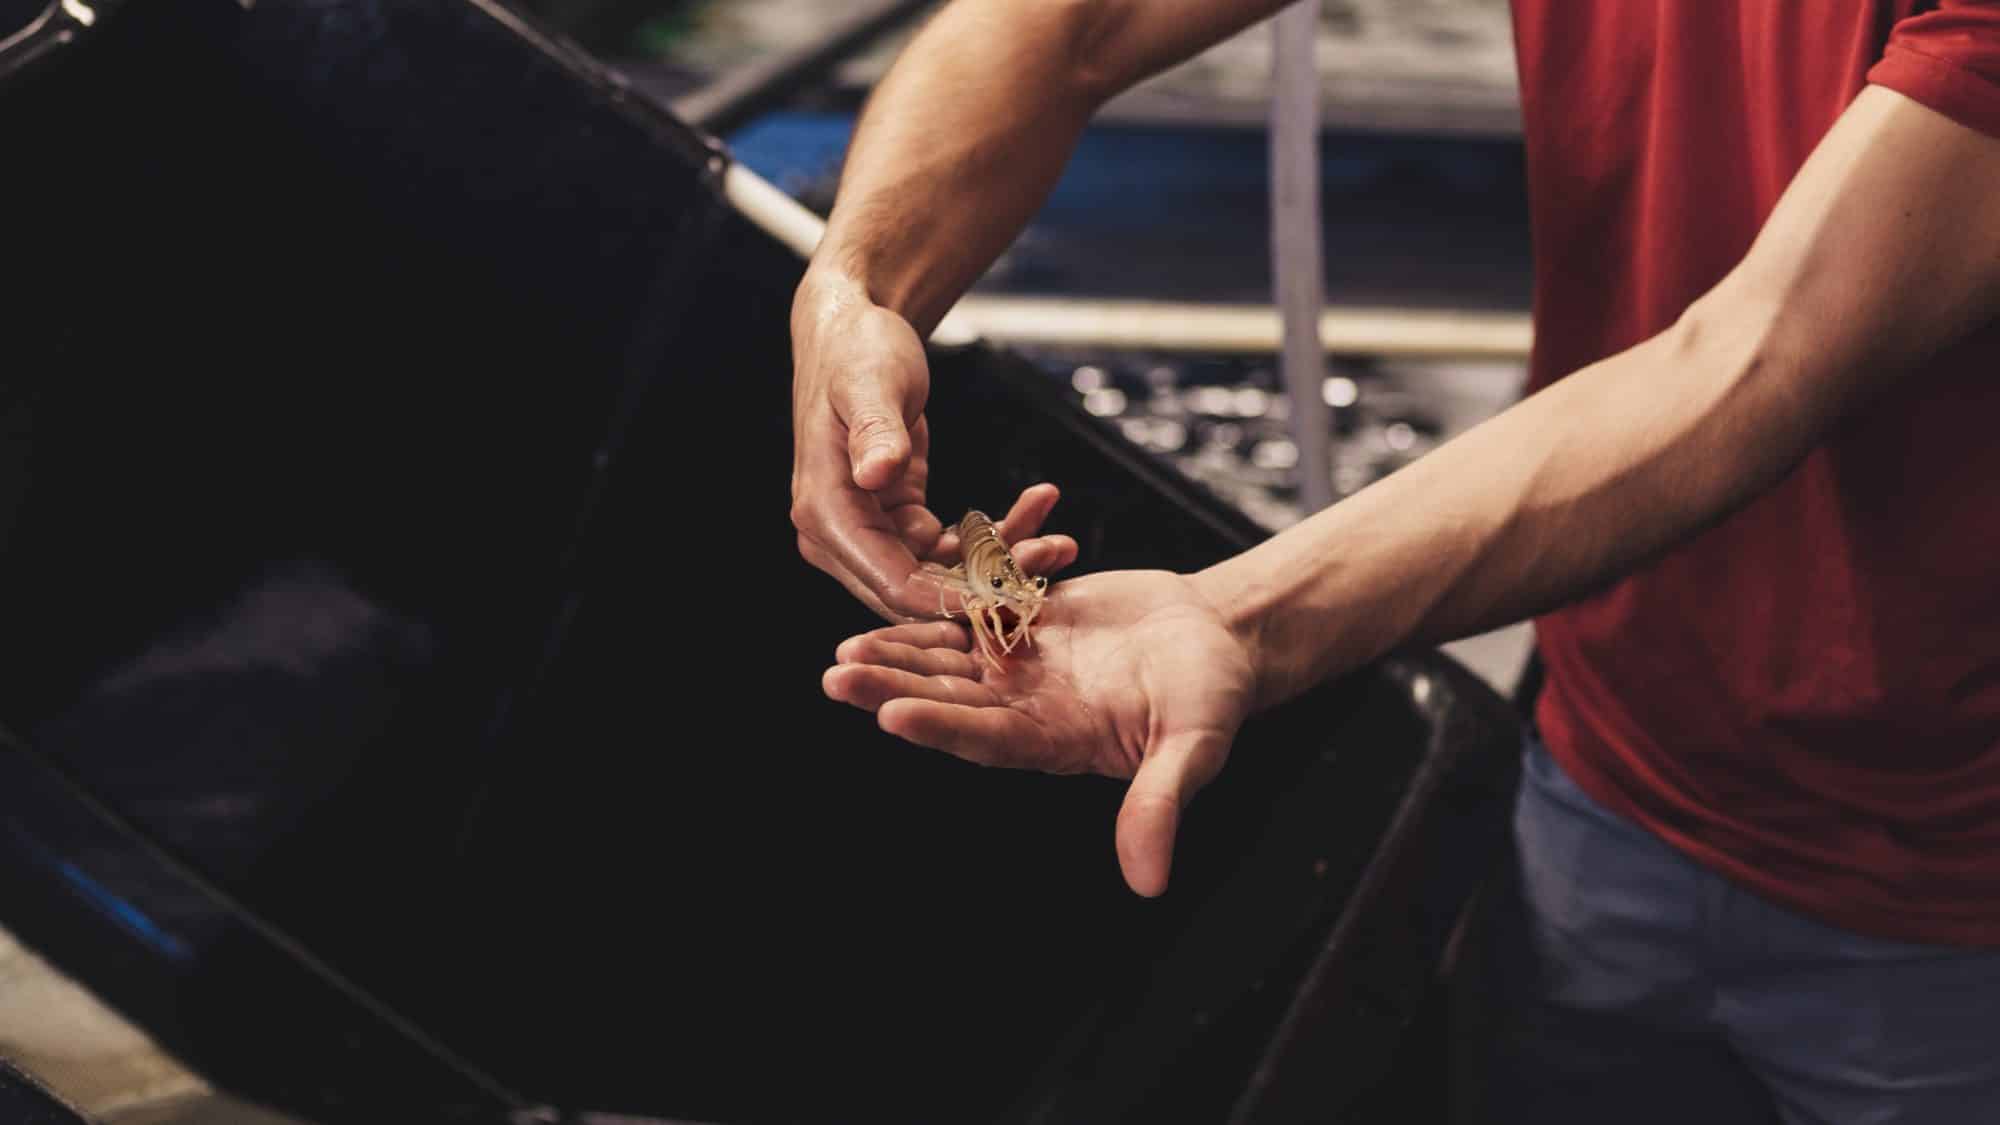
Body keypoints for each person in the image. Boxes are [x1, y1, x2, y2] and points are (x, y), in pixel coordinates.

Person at [789, 1, 2000, 1119]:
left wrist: (1239, 619)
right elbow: (1069, 24)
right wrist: (857, 291)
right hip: (1612, 768)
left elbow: (1757, 360)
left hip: (1952, 894)